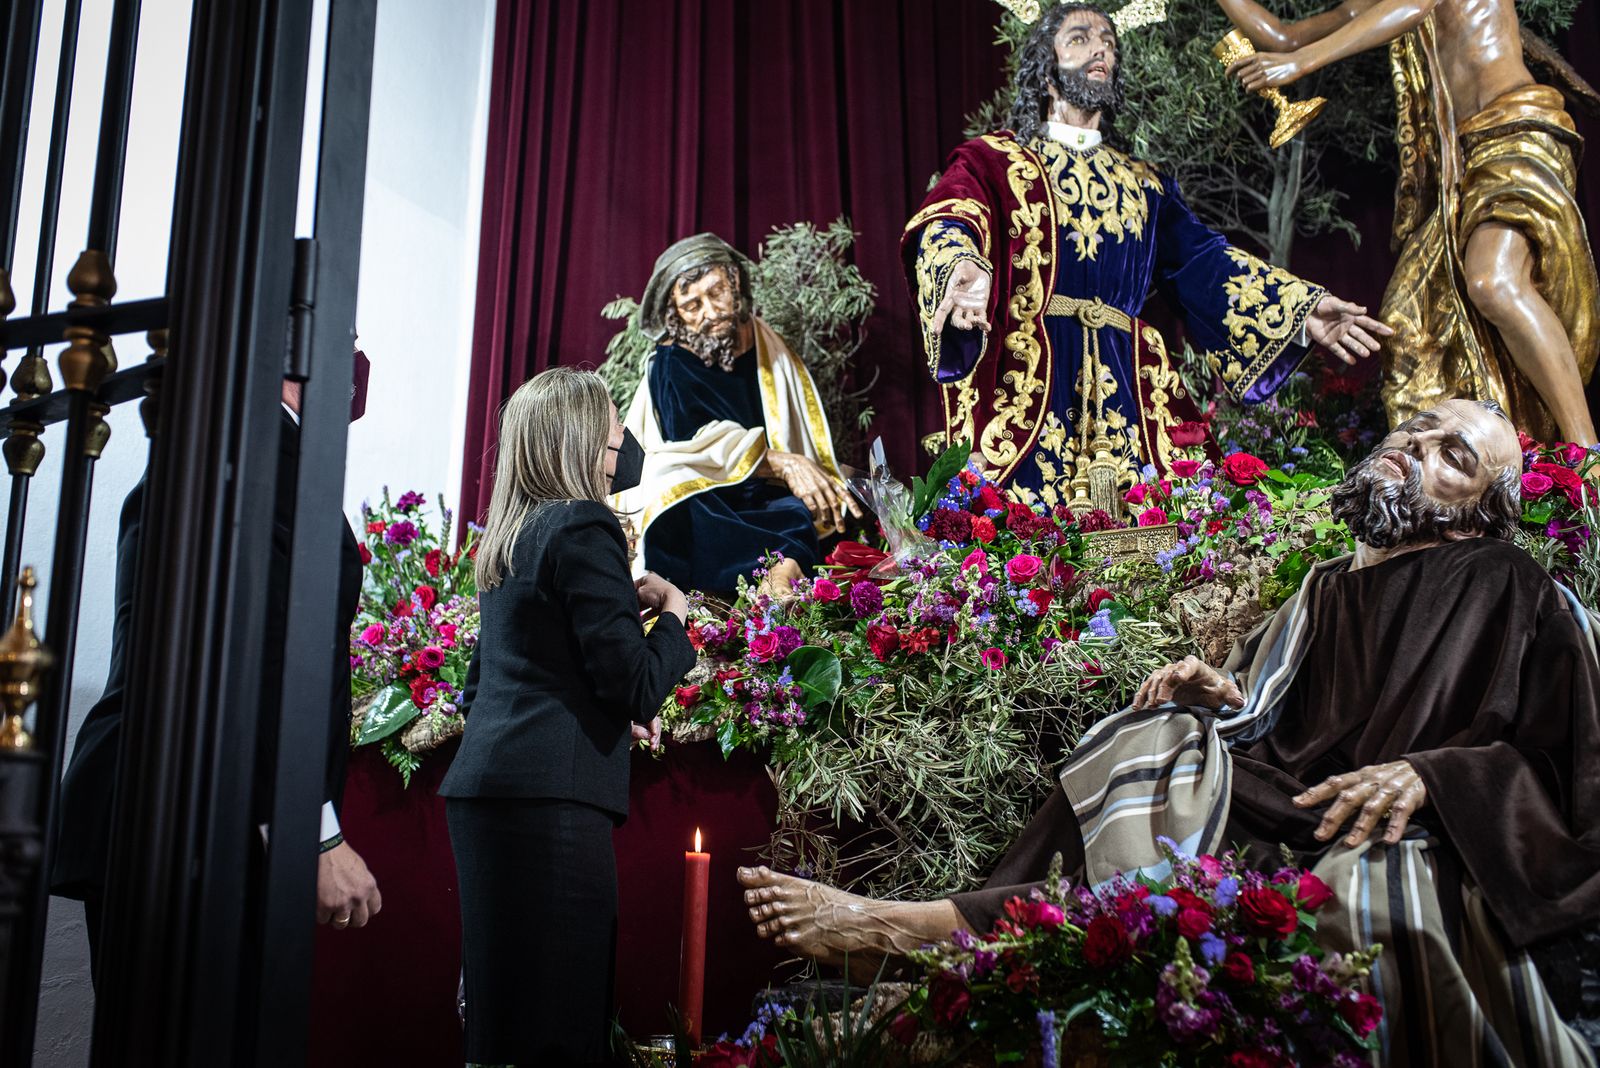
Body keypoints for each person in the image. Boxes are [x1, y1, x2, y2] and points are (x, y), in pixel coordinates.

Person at [739, 398, 1600, 1063]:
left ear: (1481, 510)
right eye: (1417, 429)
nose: (1414, 448)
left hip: (1381, 819)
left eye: (1453, 456)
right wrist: (1228, 695)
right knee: (1152, 732)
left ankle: (921, 936)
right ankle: (953, 938)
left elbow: (1570, 760)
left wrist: (1434, 776)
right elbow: (1290, 725)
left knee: (1354, 876)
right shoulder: (1332, 584)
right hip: (1293, 792)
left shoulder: (1507, 580)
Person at [902, 2, 1392, 513]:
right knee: (1014, 539)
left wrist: (1299, 309)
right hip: (1029, 377)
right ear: (1045, 70)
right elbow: (950, 214)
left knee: (1164, 531)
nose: (1101, 50)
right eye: (1080, 38)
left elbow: (1205, 263)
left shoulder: (1146, 181)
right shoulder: (993, 160)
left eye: (1109, 43)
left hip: (1128, 382)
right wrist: (959, 264)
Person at [53, 351, 381, 977]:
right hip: (204, 820)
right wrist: (311, 833)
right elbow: (259, 660)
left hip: (149, 805)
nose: (358, 363)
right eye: (347, 337)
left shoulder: (209, 448)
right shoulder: (271, 466)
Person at [443, 367, 697, 1065]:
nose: (624, 438)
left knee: (499, 1023)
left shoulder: (510, 534)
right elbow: (638, 685)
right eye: (616, 424)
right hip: (549, 800)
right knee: (559, 1021)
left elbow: (502, 675)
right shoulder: (584, 524)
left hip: (490, 791)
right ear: (583, 439)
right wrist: (674, 614)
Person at [1220, 0, 1600, 445]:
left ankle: (1588, 460)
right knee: (1407, 326)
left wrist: (1299, 64)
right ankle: (1465, 478)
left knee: (1493, 281)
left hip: (1514, 128)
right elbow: (1282, 35)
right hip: (1459, 165)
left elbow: (1416, 5)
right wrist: (1287, 51)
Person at [613, 233, 861, 597]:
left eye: (716, 293)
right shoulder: (670, 366)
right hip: (706, 494)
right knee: (687, 510)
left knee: (811, 506)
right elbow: (691, 455)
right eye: (692, 305)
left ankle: (778, 580)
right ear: (675, 313)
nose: (710, 313)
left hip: (760, 491)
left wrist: (812, 469)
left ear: (735, 283)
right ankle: (777, 579)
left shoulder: (762, 342)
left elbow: (793, 429)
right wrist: (786, 464)